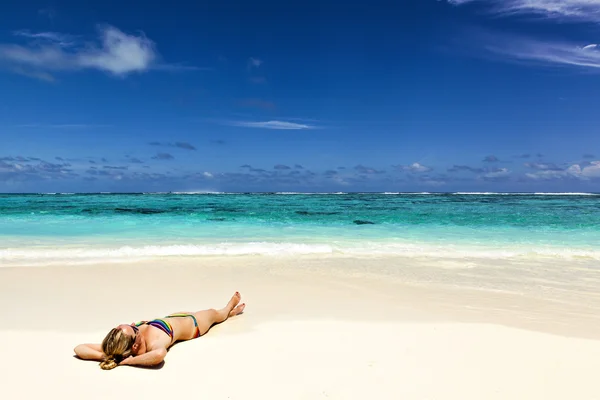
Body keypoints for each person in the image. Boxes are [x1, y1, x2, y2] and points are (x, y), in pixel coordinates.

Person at [74, 292, 246, 370]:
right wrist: (125, 362)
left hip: (171, 317)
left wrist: (109, 356)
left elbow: (79, 348)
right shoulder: (155, 343)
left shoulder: (119, 348)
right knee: (216, 313)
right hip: (194, 325)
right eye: (134, 329)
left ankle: (229, 312)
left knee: (210, 313)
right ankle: (229, 308)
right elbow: (159, 355)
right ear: (135, 345)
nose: (135, 325)